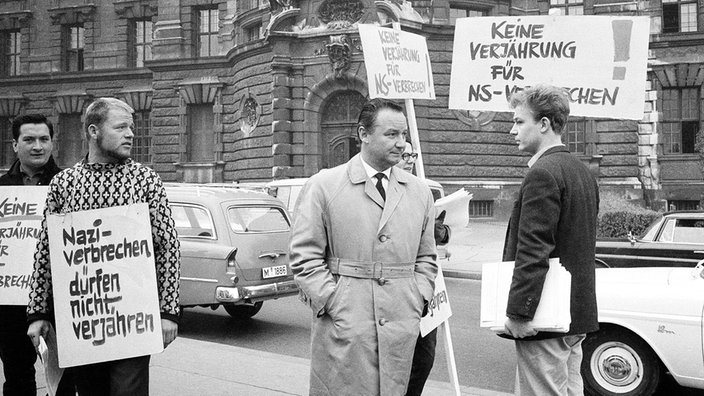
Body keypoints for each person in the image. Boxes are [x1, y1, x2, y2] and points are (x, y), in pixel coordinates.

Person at [25, 98, 181, 396]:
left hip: (134, 319)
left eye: (131, 127)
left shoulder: (145, 180)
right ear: (94, 131)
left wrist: (169, 312)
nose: (131, 134)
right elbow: (46, 253)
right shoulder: (64, 183)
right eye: (121, 127)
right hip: (83, 321)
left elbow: (168, 248)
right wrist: (38, 312)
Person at [289, 98, 438, 395]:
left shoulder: (420, 192)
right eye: (391, 134)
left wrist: (418, 296)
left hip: (401, 318)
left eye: (404, 135)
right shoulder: (324, 186)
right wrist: (335, 302)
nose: (401, 143)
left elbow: (427, 257)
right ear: (364, 134)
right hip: (346, 319)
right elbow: (304, 258)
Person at [502, 85, 599, 395]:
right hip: (576, 313)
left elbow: (533, 249)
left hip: (545, 316)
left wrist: (519, 313)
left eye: (519, 122)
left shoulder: (542, 173)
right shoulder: (581, 171)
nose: (512, 130)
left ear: (543, 124)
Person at [0, 114, 68, 396]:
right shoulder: (2, 188)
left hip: (60, 299)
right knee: (17, 375)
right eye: (29, 140)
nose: (37, 146)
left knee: (66, 379)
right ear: (15, 145)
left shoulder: (68, 185)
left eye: (44, 139)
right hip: (12, 301)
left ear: (52, 143)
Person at [393, 139, 449, 396]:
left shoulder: (422, 191)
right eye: (405, 155)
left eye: (413, 154)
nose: (410, 159)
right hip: (396, 294)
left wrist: (442, 230)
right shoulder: (383, 192)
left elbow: (433, 239)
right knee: (398, 363)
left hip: (424, 293)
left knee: (424, 359)